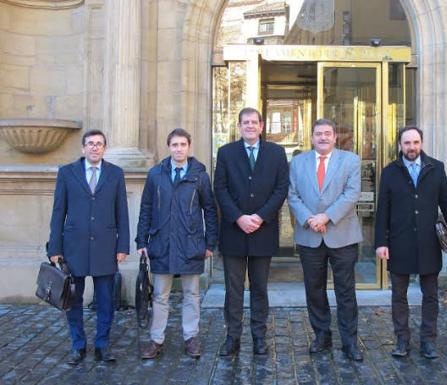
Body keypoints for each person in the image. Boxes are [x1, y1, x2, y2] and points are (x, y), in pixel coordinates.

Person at [47, 129, 129, 365]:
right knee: (73, 300)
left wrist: (122, 245)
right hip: (74, 248)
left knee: (106, 300)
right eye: (90, 143)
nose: (95, 147)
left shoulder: (115, 174)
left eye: (99, 144)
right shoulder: (67, 173)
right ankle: (78, 345)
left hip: (106, 247)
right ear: (83, 148)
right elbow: (58, 212)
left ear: (105, 148)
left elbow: (121, 213)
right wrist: (55, 248)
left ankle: (103, 345)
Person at [136, 128, 218, 359]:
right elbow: (146, 209)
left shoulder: (199, 175)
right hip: (162, 242)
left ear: (189, 147)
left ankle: (191, 337)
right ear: (169, 147)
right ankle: (156, 340)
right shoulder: (156, 174)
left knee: (191, 294)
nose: (179, 149)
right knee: (160, 295)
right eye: (175, 145)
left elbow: (210, 210)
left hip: (190, 243)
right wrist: (141, 239)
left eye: (183, 144)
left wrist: (210, 242)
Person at [214, 107, 289, 356]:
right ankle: (232, 338)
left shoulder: (276, 153)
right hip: (234, 232)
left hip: (263, 230)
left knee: (260, 288)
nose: (249, 126)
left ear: (261, 126)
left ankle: (259, 337)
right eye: (245, 122)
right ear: (239, 126)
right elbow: (220, 189)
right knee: (233, 290)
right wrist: (238, 217)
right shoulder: (225, 153)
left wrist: (259, 217)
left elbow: (281, 189)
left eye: (253, 122)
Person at [288, 118, 364, 361]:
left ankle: (350, 342)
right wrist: (310, 219)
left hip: (342, 235)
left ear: (334, 137)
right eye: (318, 133)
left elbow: (352, 194)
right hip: (310, 236)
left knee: (345, 291)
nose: (323, 137)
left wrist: (326, 217)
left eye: (327, 133)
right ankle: (322, 336)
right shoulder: (298, 162)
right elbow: (292, 195)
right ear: (311, 137)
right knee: (314, 290)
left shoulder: (350, 160)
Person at [374, 126, 447, 359]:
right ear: (400, 145)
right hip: (399, 242)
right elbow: (382, 211)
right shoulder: (389, 172)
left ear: (422, 143)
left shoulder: (436, 168)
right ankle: (402, 340)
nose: (411, 147)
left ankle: (428, 340)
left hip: (429, 243)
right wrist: (380, 242)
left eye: (415, 142)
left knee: (430, 295)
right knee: (399, 295)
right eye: (407, 143)